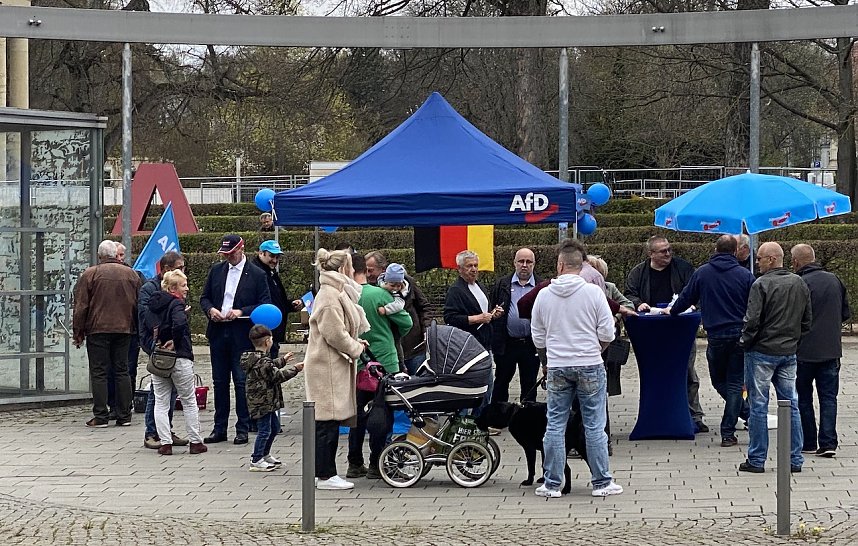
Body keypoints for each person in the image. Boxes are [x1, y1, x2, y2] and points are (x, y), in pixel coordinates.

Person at [530, 244, 621, 498]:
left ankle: (551, 483)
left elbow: (538, 337)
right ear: (582, 266)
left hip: (558, 364)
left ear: (559, 265)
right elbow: (607, 332)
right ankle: (602, 482)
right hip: (590, 363)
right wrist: (596, 349)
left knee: (555, 425)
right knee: (594, 425)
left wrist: (546, 361)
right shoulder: (593, 293)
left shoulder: (544, 295)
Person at [668, 235, 755, 448]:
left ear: (715, 249)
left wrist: (672, 313)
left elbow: (686, 297)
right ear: (735, 251)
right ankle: (746, 417)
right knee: (734, 383)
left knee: (719, 381)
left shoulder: (703, 273)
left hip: (716, 334)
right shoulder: (745, 275)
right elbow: (755, 305)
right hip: (739, 334)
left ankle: (731, 428)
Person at [738, 241, 811, 473]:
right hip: (788, 351)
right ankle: (794, 459)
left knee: (758, 405)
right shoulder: (799, 282)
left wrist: (745, 342)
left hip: (761, 352)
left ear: (771, 259)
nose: (756, 261)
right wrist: (795, 341)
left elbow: (752, 320)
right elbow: (807, 319)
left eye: (759, 258)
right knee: (791, 404)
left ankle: (757, 459)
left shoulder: (761, 284)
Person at [624, 236, 707, 433]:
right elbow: (629, 293)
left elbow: (695, 290)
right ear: (651, 254)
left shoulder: (684, 268)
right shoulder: (638, 272)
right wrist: (637, 303)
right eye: (663, 251)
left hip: (681, 328)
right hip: (653, 331)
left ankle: (695, 415)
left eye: (669, 250)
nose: (668, 254)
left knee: (687, 371)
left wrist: (692, 305)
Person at [304, 249, 369, 490]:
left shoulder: (334, 292)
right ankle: (325, 474)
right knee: (327, 420)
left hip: (332, 363)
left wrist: (355, 342)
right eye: (351, 268)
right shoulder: (330, 296)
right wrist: (355, 347)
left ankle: (324, 472)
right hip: (327, 366)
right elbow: (334, 333)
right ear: (343, 269)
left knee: (328, 420)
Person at [200, 234, 271, 445]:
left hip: (241, 332)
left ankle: (242, 427)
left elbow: (264, 303)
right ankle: (219, 428)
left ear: (242, 250)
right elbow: (204, 298)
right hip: (218, 331)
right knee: (219, 382)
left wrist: (241, 311)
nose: (228, 258)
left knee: (241, 382)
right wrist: (210, 310)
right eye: (225, 254)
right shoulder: (216, 271)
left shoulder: (257, 274)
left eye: (231, 254)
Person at [348, 255, 412, 479]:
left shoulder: (348, 295)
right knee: (383, 413)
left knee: (356, 414)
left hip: (357, 361)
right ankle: (377, 463)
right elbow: (407, 323)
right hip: (384, 361)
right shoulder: (381, 295)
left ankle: (354, 462)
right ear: (366, 271)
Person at [73, 240, 142, 428]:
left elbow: (81, 306)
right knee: (122, 370)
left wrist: (78, 332)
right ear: (115, 255)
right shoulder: (132, 274)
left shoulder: (90, 274)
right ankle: (125, 415)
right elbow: (139, 304)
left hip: (98, 329)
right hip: (125, 329)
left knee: (99, 372)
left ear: (100, 256)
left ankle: (101, 416)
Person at [791, 244, 851, 458]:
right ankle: (828, 443)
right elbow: (845, 312)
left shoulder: (798, 283)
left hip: (804, 351)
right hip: (831, 350)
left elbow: (792, 317)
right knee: (829, 398)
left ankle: (808, 441)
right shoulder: (834, 280)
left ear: (796, 262)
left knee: (803, 398)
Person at [146, 270, 207, 456]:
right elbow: (179, 324)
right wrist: (175, 339)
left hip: (159, 357)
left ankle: (165, 443)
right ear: (173, 288)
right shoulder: (176, 304)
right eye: (183, 285)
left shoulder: (153, 305)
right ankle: (195, 442)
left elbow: (147, 326)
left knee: (161, 402)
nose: (187, 288)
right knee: (188, 401)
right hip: (179, 357)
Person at [139, 251, 187, 449]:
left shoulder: (176, 286)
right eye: (180, 267)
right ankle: (152, 432)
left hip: (172, 342)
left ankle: (165, 430)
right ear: (167, 269)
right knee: (158, 390)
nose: (184, 271)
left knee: (172, 387)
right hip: (156, 341)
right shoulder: (149, 288)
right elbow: (146, 315)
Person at [444, 250, 503, 410]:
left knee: (487, 386)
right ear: (460, 269)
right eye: (469, 266)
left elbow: (484, 312)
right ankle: (466, 421)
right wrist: (478, 318)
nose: (474, 269)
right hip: (467, 347)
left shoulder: (480, 287)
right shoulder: (456, 290)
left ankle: (481, 421)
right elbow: (450, 317)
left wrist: (492, 314)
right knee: (470, 387)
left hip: (485, 345)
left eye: (476, 265)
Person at [241, 324, 304, 472]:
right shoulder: (264, 361)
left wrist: (283, 360)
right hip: (263, 401)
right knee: (265, 430)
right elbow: (277, 376)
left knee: (274, 427)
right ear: (267, 341)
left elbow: (269, 367)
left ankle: (265, 454)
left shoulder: (255, 358)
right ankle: (256, 459)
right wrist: (295, 369)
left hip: (263, 400)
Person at [489, 248, 541, 403]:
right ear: (514, 263)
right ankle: (498, 419)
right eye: (521, 261)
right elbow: (490, 308)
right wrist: (494, 314)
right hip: (506, 343)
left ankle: (526, 420)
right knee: (501, 381)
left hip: (531, 344)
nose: (524, 265)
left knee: (530, 384)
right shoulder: (502, 284)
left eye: (528, 262)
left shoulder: (541, 285)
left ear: (534, 264)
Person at [366, 251, 431, 374]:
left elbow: (424, 307)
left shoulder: (408, 283)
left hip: (413, 347)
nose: (368, 274)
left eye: (371, 270)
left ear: (383, 269)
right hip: (389, 350)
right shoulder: (371, 290)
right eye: (366, 270)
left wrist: (426, 330)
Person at [252, 240, 304, 358]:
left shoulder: (271, 273)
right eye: (271, 256)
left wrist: (291, 305)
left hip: (272, 333)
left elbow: (277, 300)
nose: (275, 260)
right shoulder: (256, 273)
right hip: (262, 334)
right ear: (261, 253)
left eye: (277, 257)